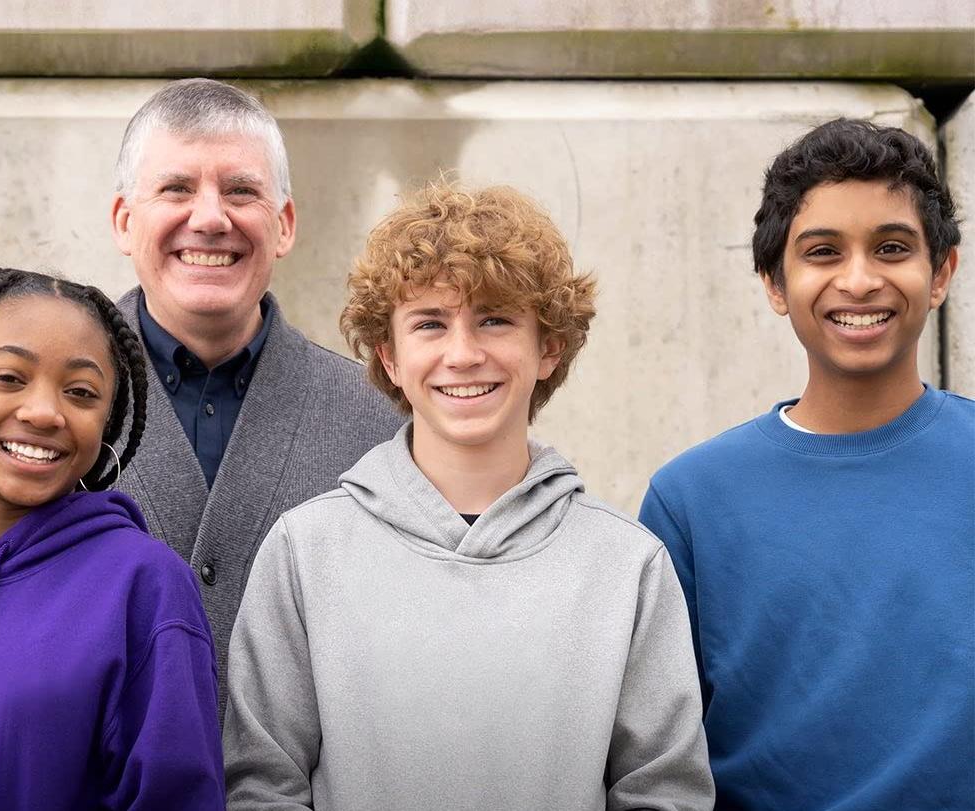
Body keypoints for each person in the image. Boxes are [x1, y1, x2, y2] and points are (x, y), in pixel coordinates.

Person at [224, 182, 714, 811]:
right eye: (429, 323)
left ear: (550, 348)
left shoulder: (628, 565)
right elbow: (262, 784)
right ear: (390, 357)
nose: (463, 354)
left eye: (495, 319)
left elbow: (664, 792)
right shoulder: (304, 551)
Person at [638, 119, 972, 810]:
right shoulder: (690, 501)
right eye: (823, 251)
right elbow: (658, 759)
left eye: (891, 247)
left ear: (940, 272)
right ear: (774, 282)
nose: (859, 279)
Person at [109, 79, 402, 715]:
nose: (210, 218)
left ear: (284, 225)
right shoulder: (43, 416)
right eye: (176, 188)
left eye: (241, 190)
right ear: (125, 222)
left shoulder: (383, 420)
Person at [0, 268, 224, 809]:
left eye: (80, 392)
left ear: (108, 420)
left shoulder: (144, 587)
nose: (44, 412)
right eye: (8, 378)